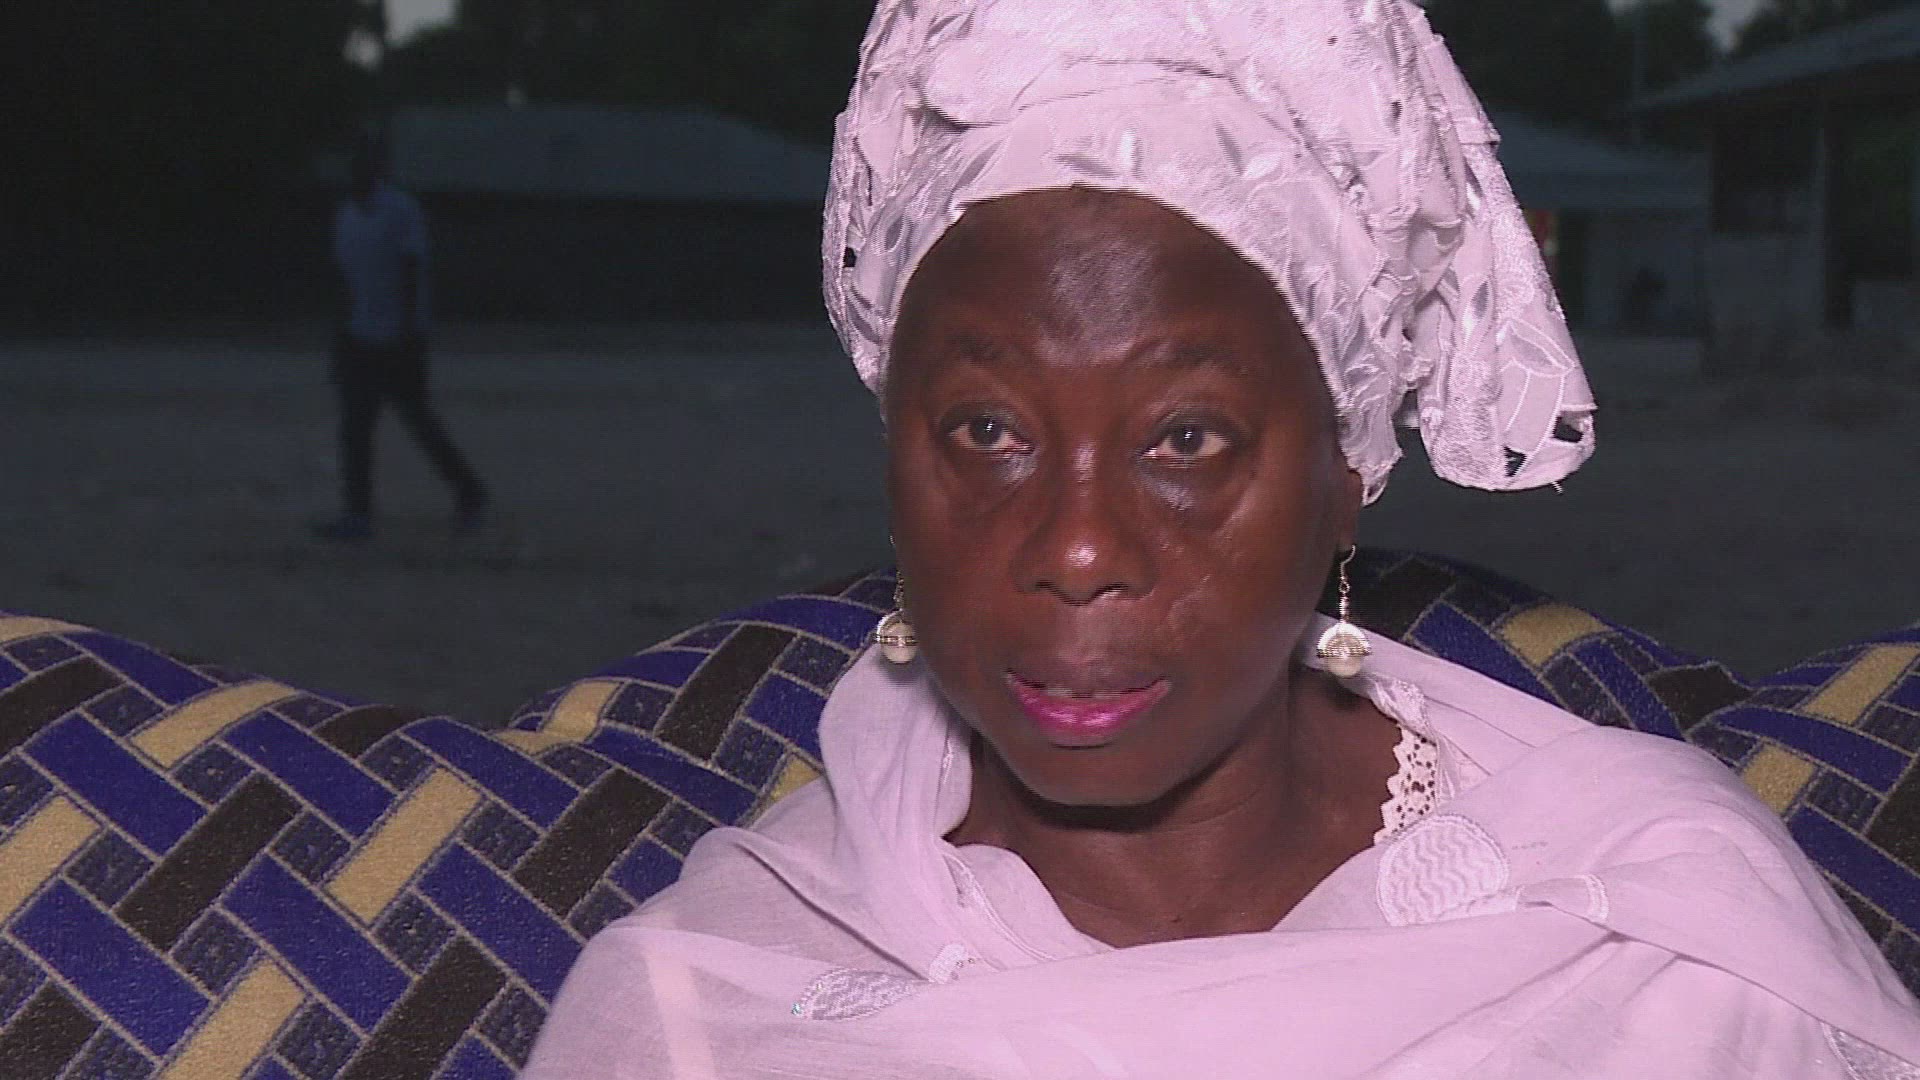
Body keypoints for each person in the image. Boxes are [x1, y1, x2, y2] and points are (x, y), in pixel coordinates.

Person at [523, 2, 1920, 1075]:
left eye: (1186, 441)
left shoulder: (1671, 944)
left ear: (1346, 473)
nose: (1078, 547)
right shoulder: (702, 1010)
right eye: (988, 432)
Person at [314, 138, 486, 542]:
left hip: (397, 336)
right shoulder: (346, 216)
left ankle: (469, 490)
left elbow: (412, 268)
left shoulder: (399, 210)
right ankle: (357, 512)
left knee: (418, 421)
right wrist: (342, 333)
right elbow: (345, 279)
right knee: (356, 426)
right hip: (361, 334)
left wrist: (409, 331)